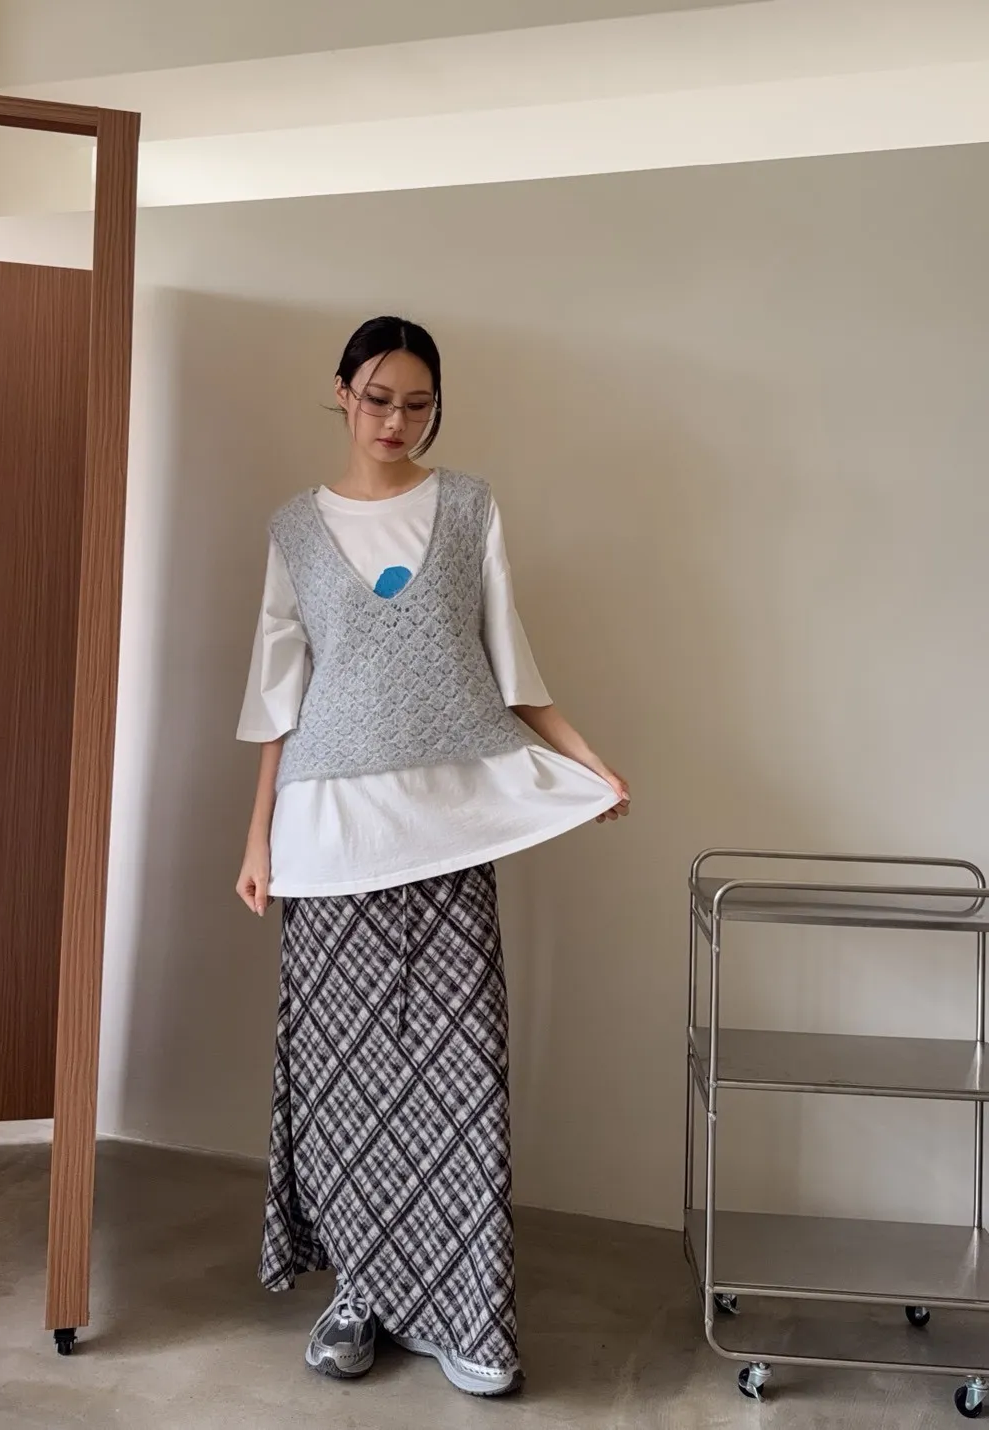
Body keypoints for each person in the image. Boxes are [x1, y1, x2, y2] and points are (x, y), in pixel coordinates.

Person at [236, 315, 629, 1398]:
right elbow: (277, 700)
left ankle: (469, 1310)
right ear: (341, 392)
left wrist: (588, 762)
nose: (397, 420)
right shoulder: (294, 528)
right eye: (377, 398)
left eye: (418, 403)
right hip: (328, 837)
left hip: (448, 831)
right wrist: (256, 836)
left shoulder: (468, 507)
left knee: (460, 1073)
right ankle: (357, 1295)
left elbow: (514, 666)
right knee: (343, 1077)